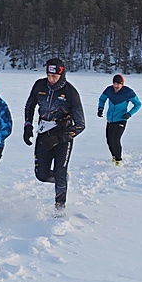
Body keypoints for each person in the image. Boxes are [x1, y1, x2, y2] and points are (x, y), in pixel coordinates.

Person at [23, 58, 86, 213]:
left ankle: (60, 208)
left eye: (54, 76)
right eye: (49, 76)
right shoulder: (40, 85)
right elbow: (30, 105)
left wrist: (59, 138)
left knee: (60, 173)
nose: (51, 79)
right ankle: (62, 179)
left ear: (61, 75)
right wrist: (27, 126)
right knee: (41, 175)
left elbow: (80, 125)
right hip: (44, 134)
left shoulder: (71, 92)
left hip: (63, 136)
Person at [97, 74, 142, 165]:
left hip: (121, 119)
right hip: (110, 119)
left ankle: (118, 160)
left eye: (118, 84)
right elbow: (102, 99)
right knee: (109, 140)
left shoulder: (128, 92)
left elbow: (138, 104)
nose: (116, 86)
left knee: (116, 139)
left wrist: (129, 113)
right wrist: (100, 108)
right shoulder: (109, 90)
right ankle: (114, 156)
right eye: (114, 84)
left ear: (122, 84)